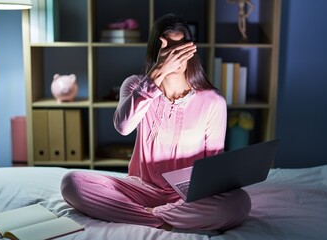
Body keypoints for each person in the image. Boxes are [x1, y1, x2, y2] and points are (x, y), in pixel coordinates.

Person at [61, 14, 251, 233]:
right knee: (71, 182)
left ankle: (154, 214)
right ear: (156, 51)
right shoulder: (135, 85)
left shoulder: (212, 101)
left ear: (191, 50)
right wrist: (156, 75)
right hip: (141, 188)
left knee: (239, 202)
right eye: (167, 48)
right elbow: (123, 127)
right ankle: (163, 220)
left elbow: (214, 166)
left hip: (188, 195)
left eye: (180, 47)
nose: (174, 57)